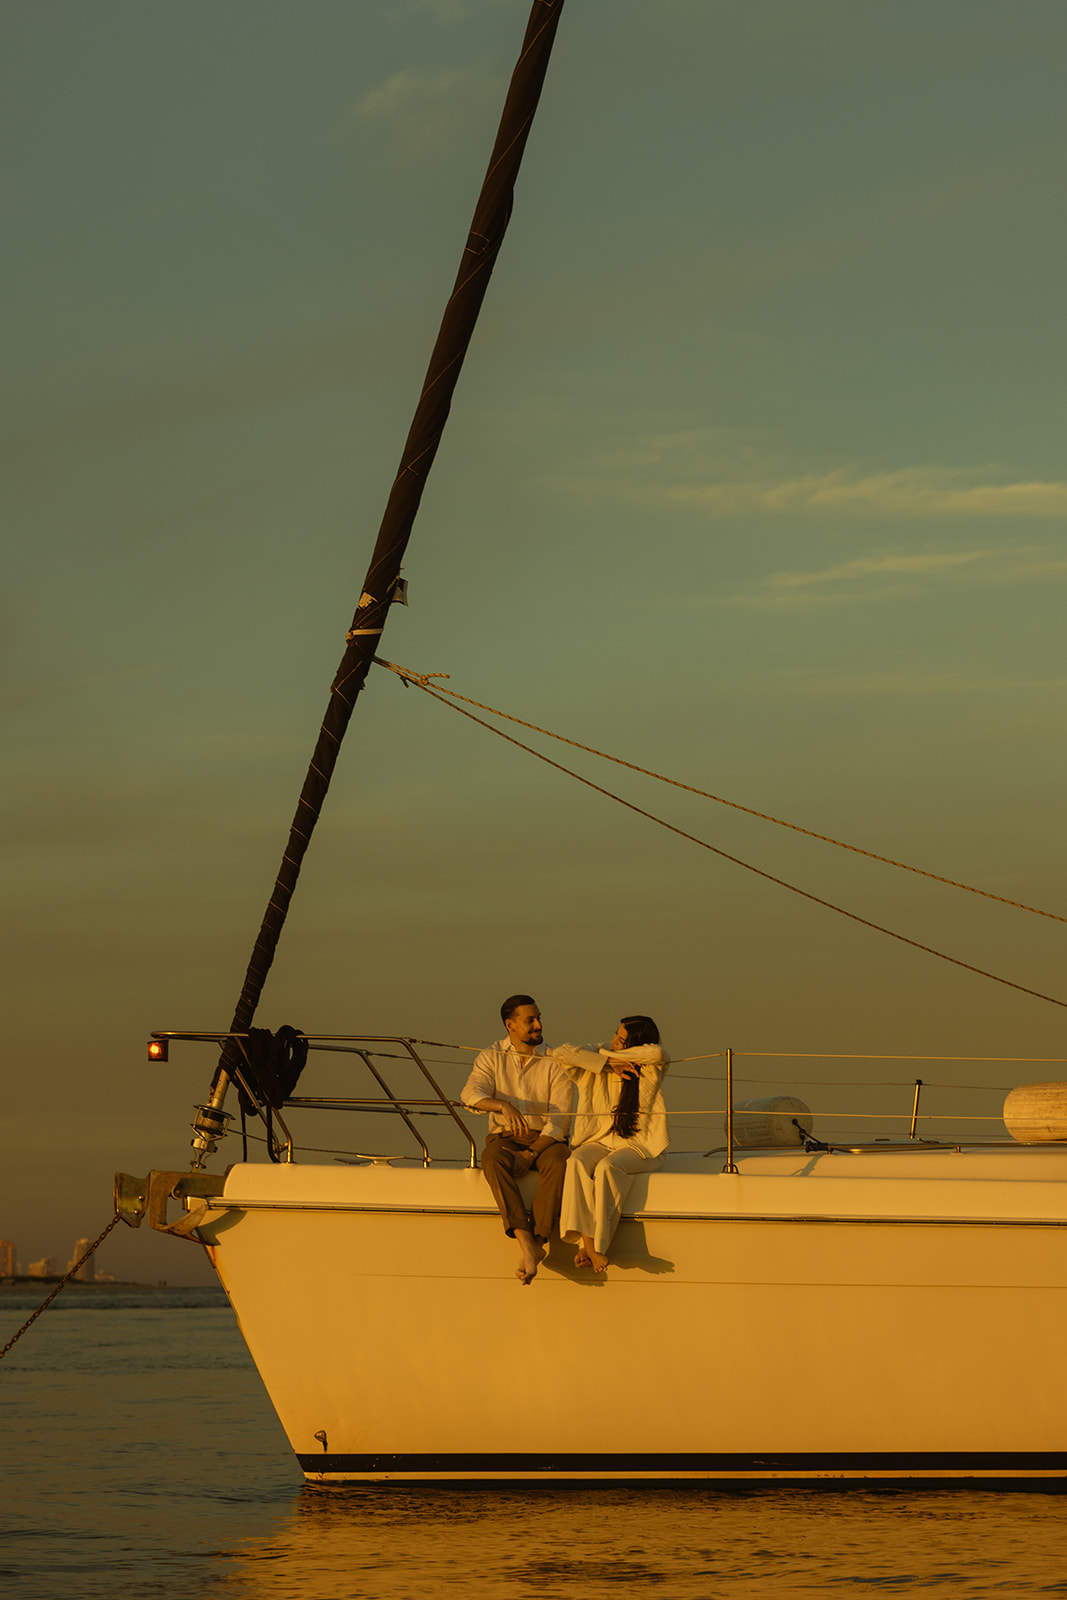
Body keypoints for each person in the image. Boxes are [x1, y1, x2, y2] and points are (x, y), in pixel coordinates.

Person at [461, 995, 576, 1284]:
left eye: (538, 1018)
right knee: (491, 1159)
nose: (538, 1025)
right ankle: (525, 1241)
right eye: (530, 1020)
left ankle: (539, 1238)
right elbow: (469, 1095)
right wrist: (502, 1105)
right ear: (510, 1025)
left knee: (561, 1160)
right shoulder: (490, 1056)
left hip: (546, 1140)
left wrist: (532, 1153)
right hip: (506, 1137)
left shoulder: (556, 1060)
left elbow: (560, 1121)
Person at [551, 1015, 669, 1273]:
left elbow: (658, 1052)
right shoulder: (600, 1057)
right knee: (577, 1161)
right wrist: (605, 1063)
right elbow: (561, 1053)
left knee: (607, 1168)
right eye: (615, 1034)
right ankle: (587, 1243)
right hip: (600, 1140)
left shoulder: (650, 1066)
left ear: (635, 1043)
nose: (614, 1041)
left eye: (622, 1040)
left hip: (640, 1145)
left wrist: (619, 1059)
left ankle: (597, 1248)